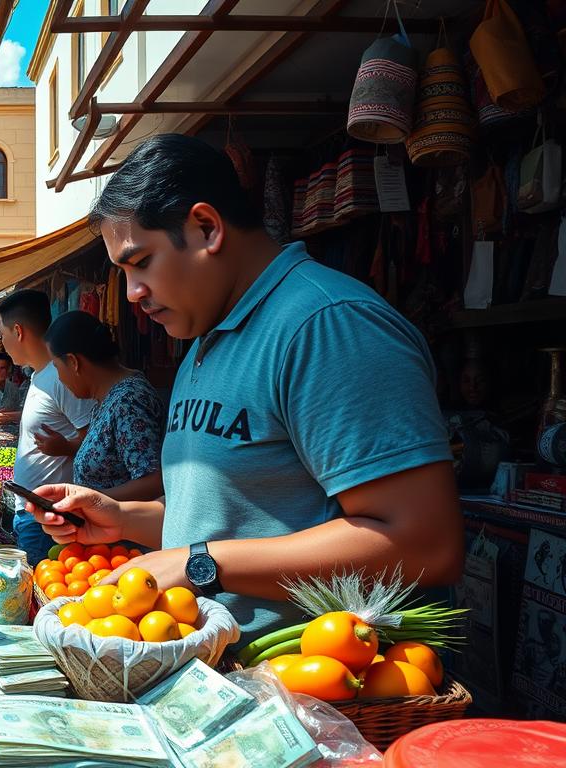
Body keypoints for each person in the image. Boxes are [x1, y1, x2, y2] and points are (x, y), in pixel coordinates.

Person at [27, 134, 463, 639]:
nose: (133, 294)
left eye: (141, 262)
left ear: (207, 228)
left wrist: (200, 565)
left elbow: (425, 545)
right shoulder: (205, 337)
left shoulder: (328, 326)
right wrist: (121, 517)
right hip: (229, 684)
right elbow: (235, 517)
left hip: (319, 696)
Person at [0, 289, 97, 564]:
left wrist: (66, 447)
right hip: (30, 512)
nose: (2, 343)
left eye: (1, 334)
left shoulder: (60, 377)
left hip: (48, 515)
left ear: (18, 331)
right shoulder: (39, 375)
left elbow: (95, 440)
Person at [45, 310, 164, 500]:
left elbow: (153, 482)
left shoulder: (129, 401)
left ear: (74, 362)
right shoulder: (108, 399)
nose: (59, 377)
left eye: (57, 366)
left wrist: (88, 500)